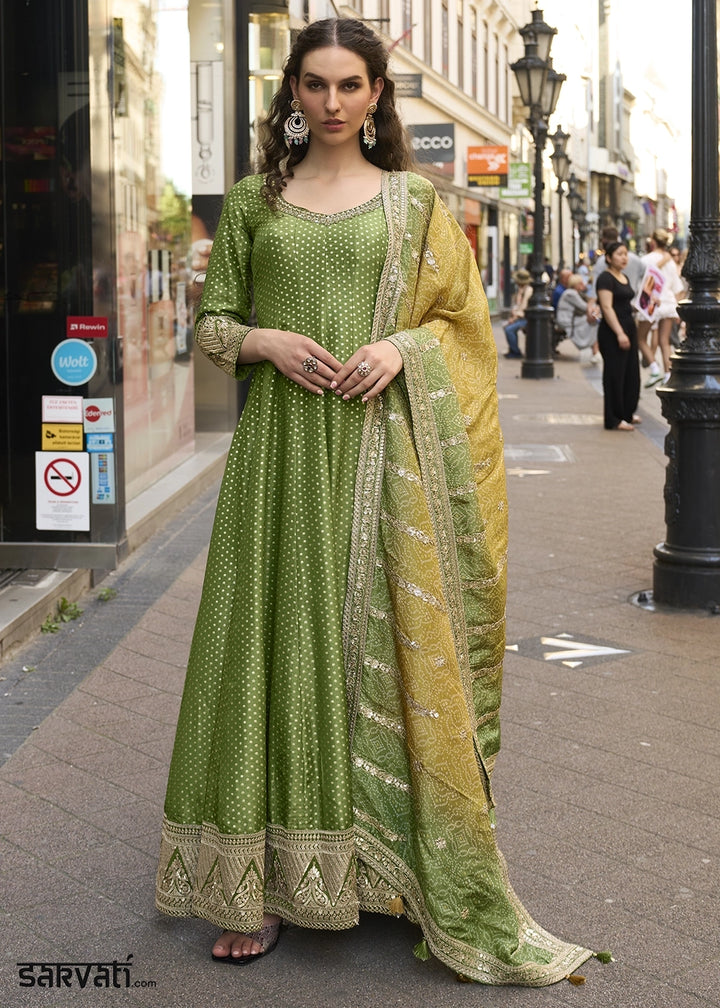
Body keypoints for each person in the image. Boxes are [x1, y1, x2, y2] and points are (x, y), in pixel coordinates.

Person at [154, 16, 594, 986]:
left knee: (371, 653)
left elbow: (461, 322)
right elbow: (214, 322)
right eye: (314, 84)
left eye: (350, 85)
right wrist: (264, 341)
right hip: (277, 459)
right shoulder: (256, 200)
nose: (332, 102)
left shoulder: (413, 201)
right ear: (292, 92)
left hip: (379, 461)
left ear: (377, 94)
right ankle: (264, 884)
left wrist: (401, 348)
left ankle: (380, 867)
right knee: (269, 647)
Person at [595, 241, 640, 430]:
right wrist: (619, 333)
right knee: (615, 375)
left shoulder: (624, 277)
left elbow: (625, 304)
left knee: (631, 374)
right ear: (608, 257)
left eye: (625, 254)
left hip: (629, 327)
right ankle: (613, 418)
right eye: (619, 254)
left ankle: (626, 413)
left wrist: (647, 304)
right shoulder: (605, 278)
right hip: (613, 331)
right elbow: (607, 307)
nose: (624, 258)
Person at [637, 228, 683, 386]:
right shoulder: (670, 262)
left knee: (641, 338)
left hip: (650, 302)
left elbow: (642, 283)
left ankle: (654, 368)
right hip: (668, 303)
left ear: (653, 241)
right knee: (665, 341)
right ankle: (668, 374)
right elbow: (677, 287)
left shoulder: (646, 259)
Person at [555, 273, 601, 364]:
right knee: (594, 322)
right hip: (567, 320)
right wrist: (595, 308)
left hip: (571, 318)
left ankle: (596, 352)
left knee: (595, 320)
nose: (583, 284)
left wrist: (594, 308)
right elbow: (584, 306)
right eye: (581, 283)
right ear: (575, 284)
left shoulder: (574, 293)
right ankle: (595, 352)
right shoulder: (570, 294)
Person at [502, 268, 532, 358]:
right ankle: (513, 348)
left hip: (525, 318)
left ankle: (515, 351)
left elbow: (523, 308)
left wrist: (514, 318)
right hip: (521, 317)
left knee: (509, 329)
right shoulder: (521, 290)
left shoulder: (528, 291)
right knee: (507, 327)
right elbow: (518, 306)